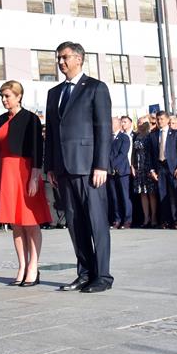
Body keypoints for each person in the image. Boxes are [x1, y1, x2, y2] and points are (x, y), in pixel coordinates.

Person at [45, 41, 113, 294]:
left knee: (96, 222)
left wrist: (101, 164)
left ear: (79, 59)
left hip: (88, 167)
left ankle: (103, 275)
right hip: (63, 167)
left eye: (64, 57)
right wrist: (50, 165)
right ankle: (84, 273)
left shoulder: (95, 88)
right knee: (75, 224)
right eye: (58, 58)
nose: (60, 62)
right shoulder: (55, 93)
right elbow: (51, 132)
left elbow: (103, 128)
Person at [0, 80, 50, 287]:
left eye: (7, 96)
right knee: (16, 223)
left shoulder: (31, 119)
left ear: (18, 96)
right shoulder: (0, 119)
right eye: (2, 96)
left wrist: (35, 175)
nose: (4, 100)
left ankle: (33, 266)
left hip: (25, 170)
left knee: (30, 221)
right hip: (7, 172)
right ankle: (22, 265)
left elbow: (37, 148)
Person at [148, 111, 177, 229]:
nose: (160, 121)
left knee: (174, 194)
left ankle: (176, 220)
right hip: (160, 167)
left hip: (173, 167)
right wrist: (152, 170)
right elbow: (151, 154)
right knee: (162, 194)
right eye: (158, 119)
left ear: (168, 119)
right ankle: (166, 220)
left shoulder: (175, 134)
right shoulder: (153, 135)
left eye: (162, 119)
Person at [132, 117, 158, 228]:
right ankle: (146, 217)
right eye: (139, 122)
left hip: (148, 166)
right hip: (139, 167)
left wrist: (152, 169)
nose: (140, 124)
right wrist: (133, 166)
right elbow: (134, 152)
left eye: (143, 122)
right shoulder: (137, 136)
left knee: (151, 193)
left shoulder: (150, 136)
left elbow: (153, 152)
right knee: (142, 193)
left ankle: (153, 217)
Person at [108, 117, 132, 229]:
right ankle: (117, 219)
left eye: (112, 123)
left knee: (124, 196)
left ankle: (127, 220)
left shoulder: (124, 137)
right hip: (110, 172)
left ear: (118, 124)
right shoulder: (108, 138)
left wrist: (113, 165)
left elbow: (123, 154)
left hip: (121, 171)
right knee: (114, 197)